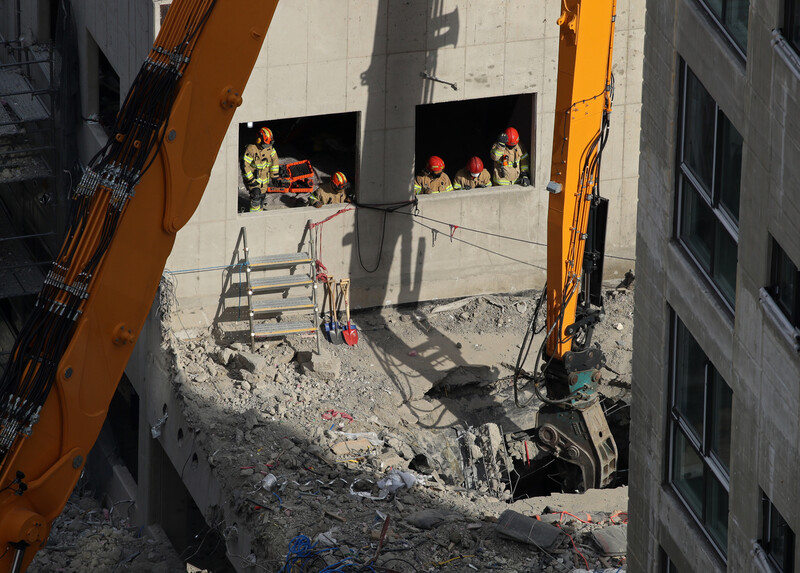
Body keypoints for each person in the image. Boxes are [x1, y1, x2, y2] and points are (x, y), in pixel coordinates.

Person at [242, 126, 280, 211]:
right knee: (256, 195)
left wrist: (275, 176)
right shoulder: (251, 149)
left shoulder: (270, 149)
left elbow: (275, 160)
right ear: (259, 140)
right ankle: (253, 215)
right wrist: (251, 181)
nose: (267, 146)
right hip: (252, 180)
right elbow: (245, 166)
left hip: (264, 180)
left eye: (269, 144)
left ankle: (260, 211)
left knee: (262, 197)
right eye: (265, 144)